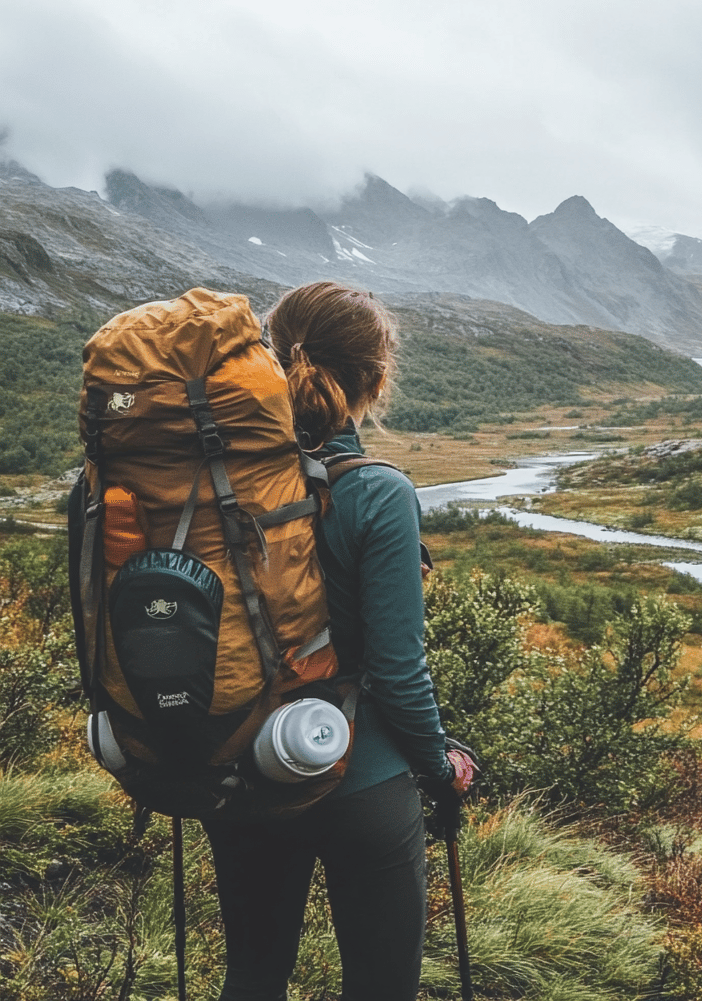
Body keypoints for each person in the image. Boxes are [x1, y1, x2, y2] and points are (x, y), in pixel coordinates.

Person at [202, 281, 475, 1001]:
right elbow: (397, 667)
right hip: (362, 779)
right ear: (375, 381)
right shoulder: (379, 492)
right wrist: (438, 764)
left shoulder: (219, 480)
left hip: (240, 765)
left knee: (254, 977)